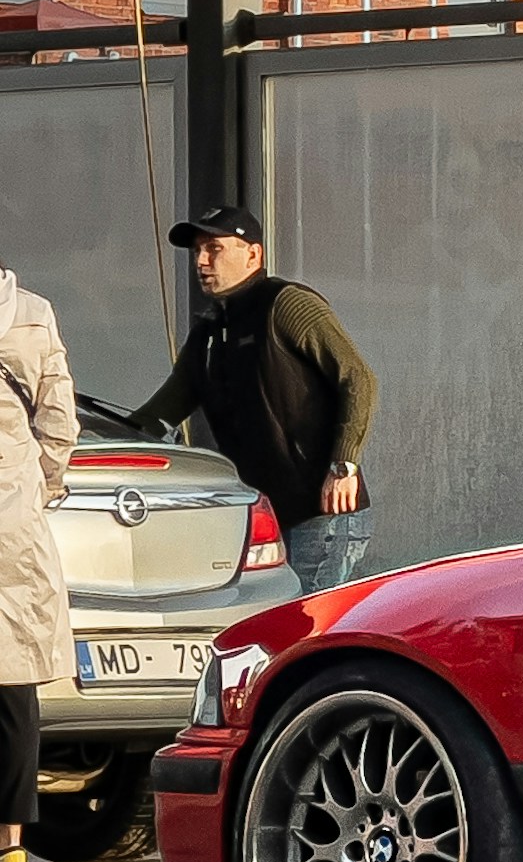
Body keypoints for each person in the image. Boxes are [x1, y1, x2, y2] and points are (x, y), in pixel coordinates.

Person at [133, 209, 379, 594]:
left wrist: (343, 465)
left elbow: (358, 378)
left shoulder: (285, 304)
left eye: (214, 248)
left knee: (307, 630)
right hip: (261, 519)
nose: (201, 261)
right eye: (197, 251)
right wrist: (87, 441)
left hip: (322, 515)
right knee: (270, 630)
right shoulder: (209, 334)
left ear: (254, 255)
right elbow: (158, 415)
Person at [0, 265, 79, 862]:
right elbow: (59, 420)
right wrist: (40, 486)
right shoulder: (30, 312)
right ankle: (12, 844)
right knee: (13, 684)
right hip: (11, 517)